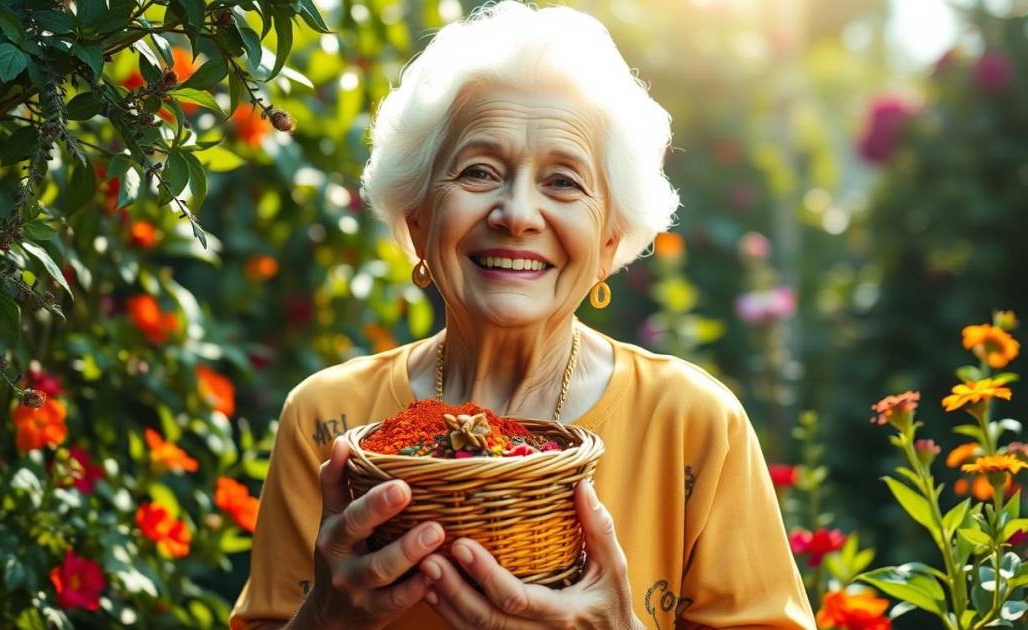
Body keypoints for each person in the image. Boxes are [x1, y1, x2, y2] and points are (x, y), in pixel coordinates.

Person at [230, 2, 815, 628]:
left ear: (609, 242)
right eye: (480, 171)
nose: (517, 213)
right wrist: (324, 619)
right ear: (418, 218)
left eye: (563, 181)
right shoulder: (328, 424)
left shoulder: (692, 425)